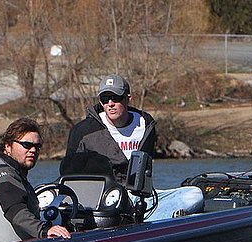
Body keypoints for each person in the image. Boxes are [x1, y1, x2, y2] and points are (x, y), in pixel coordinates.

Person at [64, 74, 204, 220]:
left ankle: (148, 216)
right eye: (105, 99)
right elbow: (69, 175)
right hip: (104, 202)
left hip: (140, 198)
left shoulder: (146, 124)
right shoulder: (83, 131)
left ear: (128, 98)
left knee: (194, 194)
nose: (110, 103)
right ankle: (163, 217)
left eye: (116, 98)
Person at [0, 118, 72, 240]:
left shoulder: (7, 170)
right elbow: (15, 210)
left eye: (37, 146)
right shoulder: (3, 174)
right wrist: (44, 230)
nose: (33, 150)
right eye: (26, 145)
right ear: (8, 146)